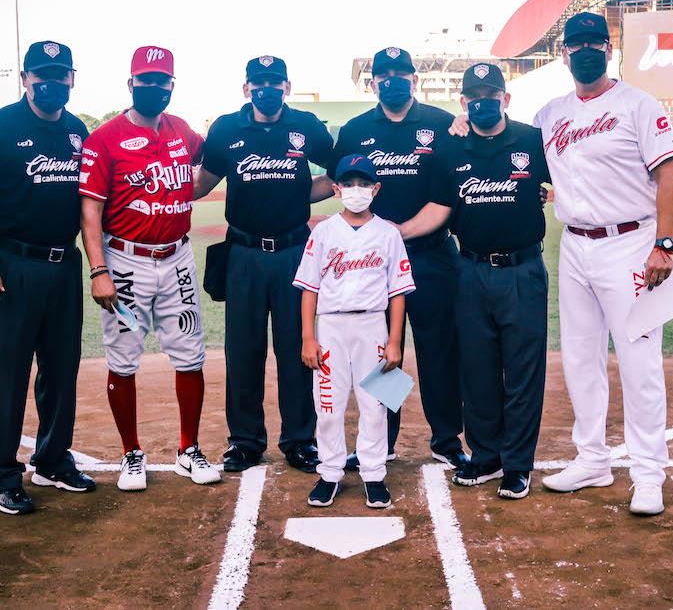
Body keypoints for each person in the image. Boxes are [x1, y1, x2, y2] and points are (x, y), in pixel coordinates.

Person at [527, 12, 673, 515]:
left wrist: (665, 244)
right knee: (579, 358)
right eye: (578, 44)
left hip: (632, 243)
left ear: (611, 48)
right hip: (574, 245)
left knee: (639, 362)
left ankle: (648, 473)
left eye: (598, 41)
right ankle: (592, 459)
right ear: (563, 53)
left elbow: (670, 178)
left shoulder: (638, 104)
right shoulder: (549, 114)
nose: (588, 50)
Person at [401, 62, 550, 499]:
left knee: (522, 371)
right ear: (463, 103)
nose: (484, 102)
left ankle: (517, 464)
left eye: (492, 94)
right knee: (477, 369)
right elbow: (440, 208)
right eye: (474, 97)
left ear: (506, 98)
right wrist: (394, 233)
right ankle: (485, 456)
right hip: (468, 271)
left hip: (522, 270)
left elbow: (564, 181)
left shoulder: (530, 140)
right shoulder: (451, 148)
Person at [0, 40, 96, 515]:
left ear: (72, 79)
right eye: (41, 75)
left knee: (61, 369)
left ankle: (53, 459)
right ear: (24, 79)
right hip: (11, 264)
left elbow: (87, 205)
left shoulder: (78, 131)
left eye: (59, 75)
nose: (51, 83)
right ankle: (1, 474)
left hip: (64, 266)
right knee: (7, 373)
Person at [79, 45, 219, 490]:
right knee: (123, 358)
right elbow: (90, 212)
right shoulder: (104, 139)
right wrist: (98, 270)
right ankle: (131, 454)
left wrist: (186, 193)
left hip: (177, 256)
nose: (154, 88)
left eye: (162, 81)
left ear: (171, 85)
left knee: (190, 353)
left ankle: (188, 449)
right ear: (131, 83)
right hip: (125, 261)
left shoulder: (181, 131)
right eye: (146, 80)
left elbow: (210, 162)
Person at [327, 46, 468, 472]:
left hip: (431, 257)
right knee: (384, 354)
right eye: (383, 74)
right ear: (373, 83)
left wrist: (396, 234)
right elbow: (338, 186)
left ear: (414, 80)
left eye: (400, 73)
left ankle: (446, 438)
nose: (392, 80)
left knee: (438, 352)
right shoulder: (354, 131)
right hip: (374, 266)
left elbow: (456, 187)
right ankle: (382, 440)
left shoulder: (442, 125)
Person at [193, 55, 334, 473]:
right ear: (246, 89)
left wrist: (299, 197)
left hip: (294, 252)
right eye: (259, 83)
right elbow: (204, 182)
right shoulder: (226, 129)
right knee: (243, 351)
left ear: (287, 87)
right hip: (244, 253)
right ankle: (245, 441)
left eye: (275, 83)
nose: (267, 89)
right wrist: (161, 192)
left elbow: (337, 171)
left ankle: (300, 440)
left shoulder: (306, 126)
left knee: (297, 349)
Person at [294, 154, 414, 508]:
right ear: (336, 189)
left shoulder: (389, 233)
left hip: (373, 325)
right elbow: (309, 288)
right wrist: (308, 337)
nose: (356, 190)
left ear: (376, 189)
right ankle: (330, 471)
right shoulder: (324, 232)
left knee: (376, 404)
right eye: (349, 183)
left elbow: (397, 292)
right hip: (331, 326)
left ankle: (374, 473)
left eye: (364, 184)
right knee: (328, 404)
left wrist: (394, 341)